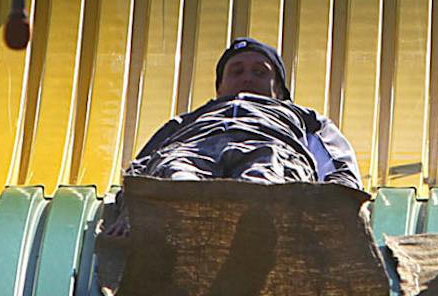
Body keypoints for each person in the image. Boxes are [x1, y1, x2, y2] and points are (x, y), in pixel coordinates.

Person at [121, 38, 361, 188]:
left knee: (266, 173)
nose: (247, 77)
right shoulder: (186, 121)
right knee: (176, 173)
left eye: (259, 72)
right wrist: (128, 209)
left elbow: (338, 165)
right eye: (236, 71)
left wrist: (339, 206)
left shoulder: (304, 118)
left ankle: (254, 222)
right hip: (195, 150)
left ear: (278, 90)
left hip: (271, 149)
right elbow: (145, 161)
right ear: (219, 88)